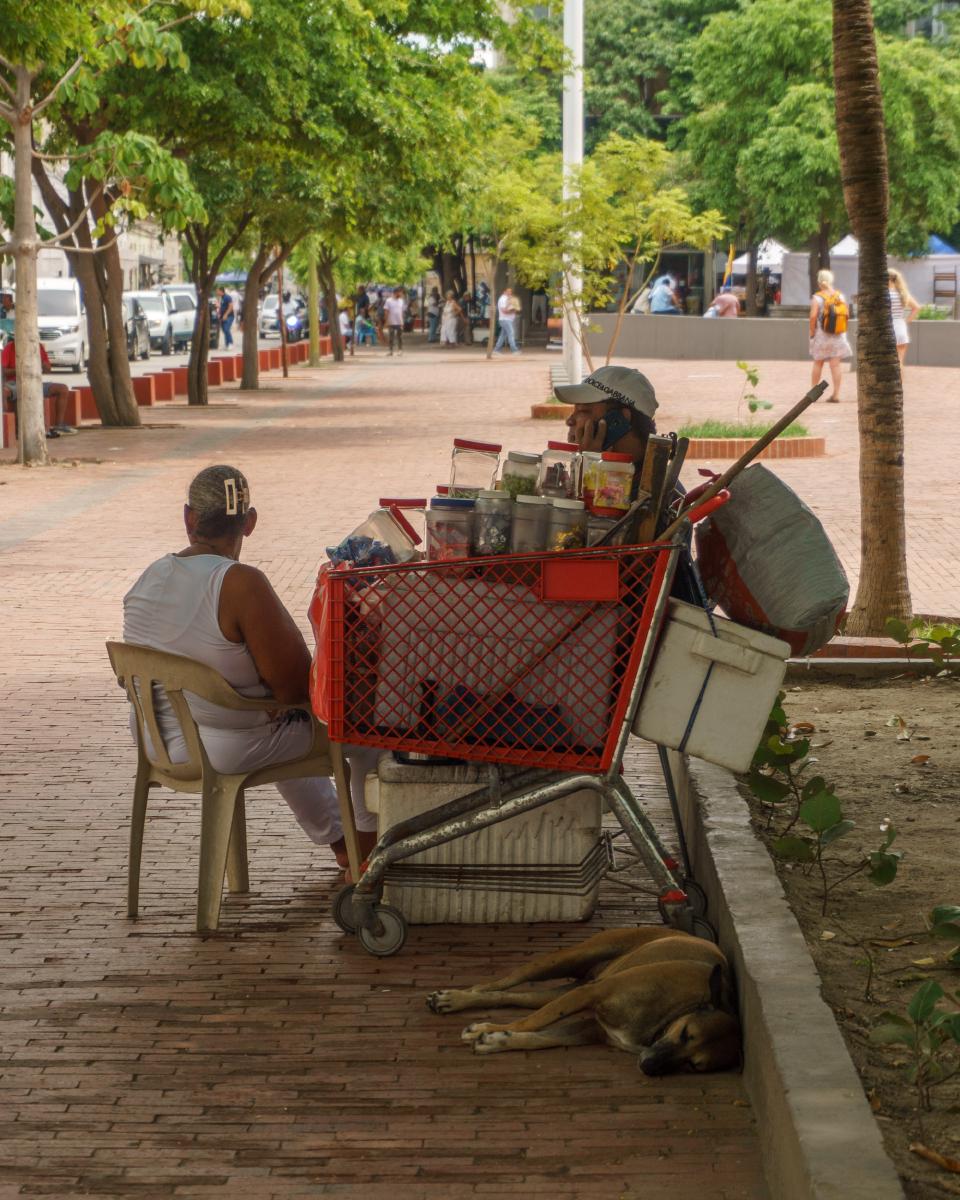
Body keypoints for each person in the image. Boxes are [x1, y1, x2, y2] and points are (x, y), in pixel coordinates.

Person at [122, 465, 380, 871]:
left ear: (189, 518)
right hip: (224, 746)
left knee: (279, 726)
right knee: (365, 734)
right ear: (251, 522)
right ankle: (367, 859)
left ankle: (342, 842)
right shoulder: (240, 582)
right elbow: (296, 686)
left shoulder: (149, 577)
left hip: (158, 740)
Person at [1, 335, 76, 438]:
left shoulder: (38, 347)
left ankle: (59, 425)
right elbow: (3, 371)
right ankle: (5, 426)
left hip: (35, 382)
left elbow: (48, 370)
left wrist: (44, 365)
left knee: (62, 389)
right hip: (15, 383)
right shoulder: (9, 348)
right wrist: (21, 369)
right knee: (3, 392)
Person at [808, 269, 852, 403]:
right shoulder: (840, 296)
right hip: (838, 335)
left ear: (819, 282)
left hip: (822, 334)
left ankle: (813, 394)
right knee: (836, 365)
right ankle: (836, 394)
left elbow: (813, 316)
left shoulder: (817, 297)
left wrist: (812, 332)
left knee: (818, 363)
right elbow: (847, 315)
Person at [888, 268, 921, 366]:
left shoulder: (883, 295)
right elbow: (917, 308)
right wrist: (905, 321)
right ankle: (900, 382)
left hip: (887, 329)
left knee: (887, 363)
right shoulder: (903, 294)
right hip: (900, 328)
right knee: (899, 362)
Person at [493, 286, 522, 355]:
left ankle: (496, 350)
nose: (510, 293)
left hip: (506, 320)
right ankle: (514, 350)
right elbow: (504, 311)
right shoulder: (503, 299)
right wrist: (513, 310)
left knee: (502, 335)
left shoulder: (507, 299)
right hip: (505, 319)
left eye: (510, 291)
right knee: (511, 333)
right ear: (504, 292)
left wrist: (514, 308)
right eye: (508, 291)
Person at [384, 287, 405, 356]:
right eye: (400, 292)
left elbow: (401, 311)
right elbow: (386, 311)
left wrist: (402, 321)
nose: (401, 294)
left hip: (399, 322)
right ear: (396, 293)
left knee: (400, 337)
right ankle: (390, 351)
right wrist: (386, 321)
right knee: (391, 337)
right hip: (391, 322)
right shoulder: (388, 301)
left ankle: (400, 350)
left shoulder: (401, 301)